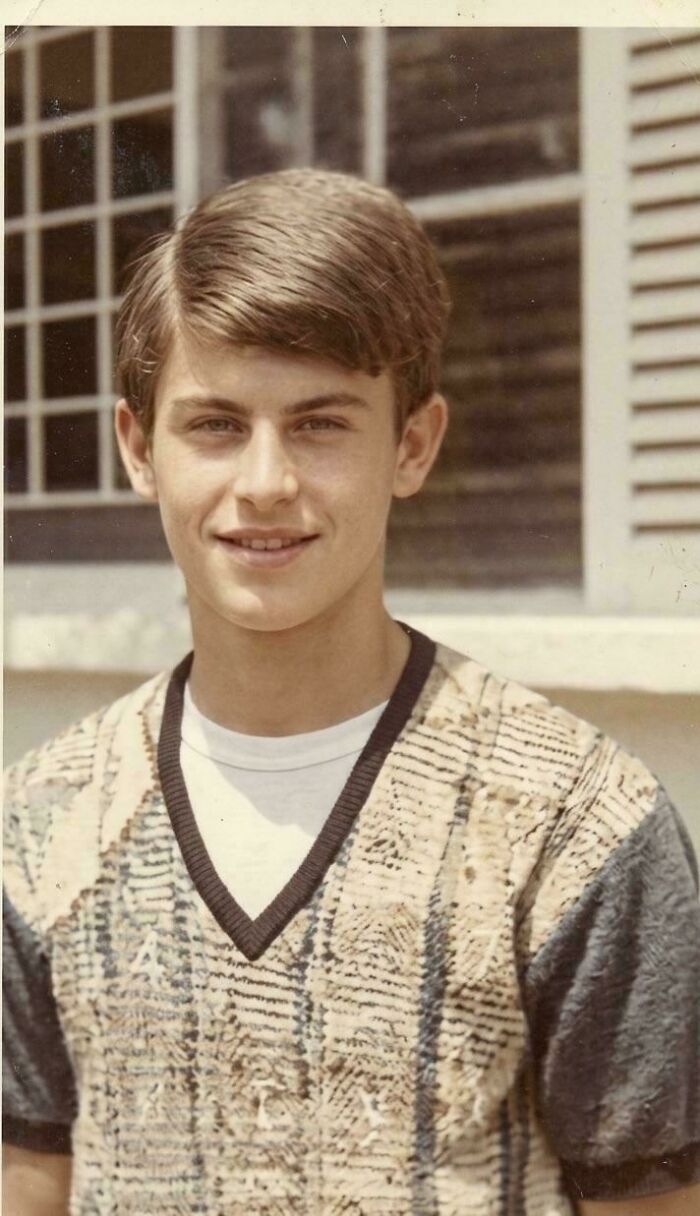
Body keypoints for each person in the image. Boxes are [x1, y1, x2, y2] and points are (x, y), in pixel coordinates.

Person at [3, 169, 699, 1216]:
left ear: (410, 445)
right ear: (139, 448)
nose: (266, 481)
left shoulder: (578, 825)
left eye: (321, 423)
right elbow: (26, 1184)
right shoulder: (40, 825)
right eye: (215, 425)